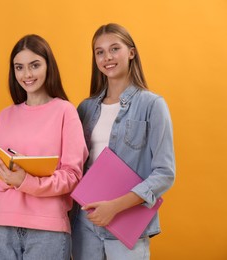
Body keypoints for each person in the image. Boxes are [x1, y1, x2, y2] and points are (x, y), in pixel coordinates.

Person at [0, 34, 88, 260]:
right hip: (2, 224)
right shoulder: (5, 116)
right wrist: (10, 178)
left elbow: (72, 175)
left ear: (48, 66)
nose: (27, 74)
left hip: (48, 229)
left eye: (34, 65)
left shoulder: (65, 112)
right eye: (19, 67)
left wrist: (25, 181)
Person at [71, 23, 175, 260]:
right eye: (100, 51)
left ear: (131, 52)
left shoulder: (152, 105)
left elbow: (165, 173)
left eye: (114, 49)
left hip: (126, 222)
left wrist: (114, 207)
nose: (107, 57)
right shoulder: (85, 108)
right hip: (85, 223)